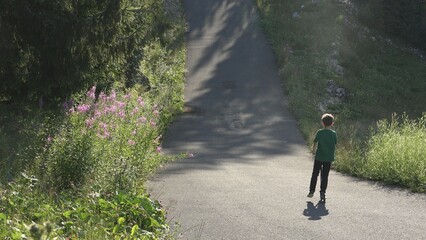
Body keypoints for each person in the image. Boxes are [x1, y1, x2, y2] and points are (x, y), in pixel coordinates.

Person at [307, 113, 337, 202]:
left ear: (322, 123)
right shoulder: (333, 134)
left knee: (315, 174)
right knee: (325, 176)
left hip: (319, 157)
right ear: (332, 123)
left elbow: (315, 142)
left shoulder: (320, 132)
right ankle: (323, 192)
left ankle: (311, 190)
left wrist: (313, 151)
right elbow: (335, 144)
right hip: (328, 158)